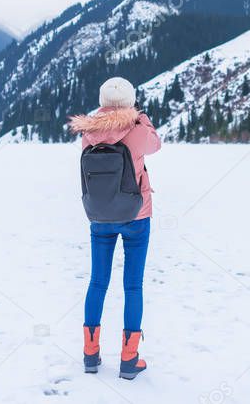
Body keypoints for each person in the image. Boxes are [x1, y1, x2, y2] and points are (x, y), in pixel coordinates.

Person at [69, 77, 161, 381]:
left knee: (97, 282)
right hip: (136, 214)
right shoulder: (137, 130)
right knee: (132, 286)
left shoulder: (89, 132)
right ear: (130, 101)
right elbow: (155, 144)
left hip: (100, 216)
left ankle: (90, 354)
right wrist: (142, 117)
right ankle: (129, 358)